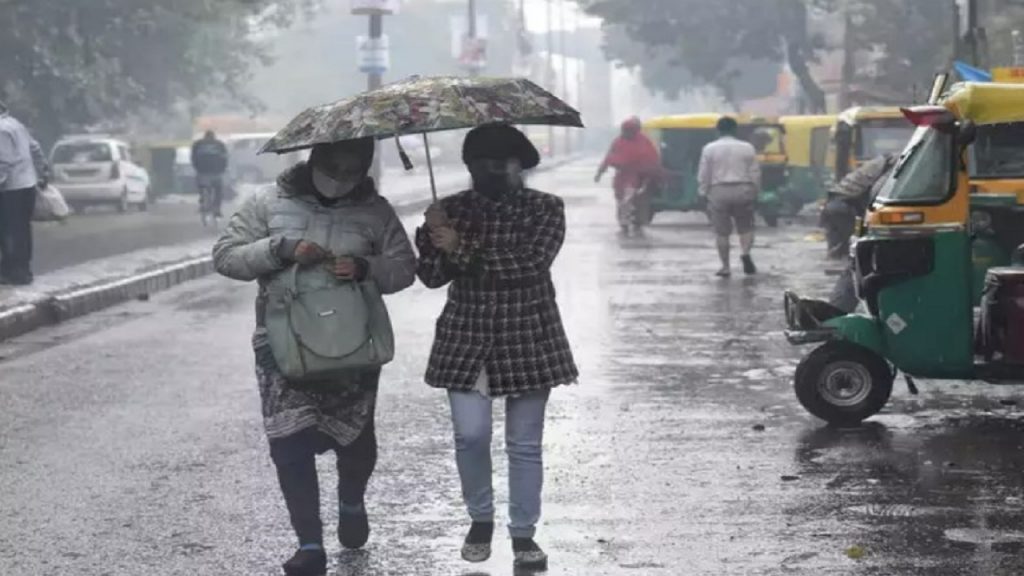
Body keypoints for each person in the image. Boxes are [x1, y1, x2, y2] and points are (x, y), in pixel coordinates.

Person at [212, 137, 416, 576]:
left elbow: (403, 268)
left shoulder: (376, 211)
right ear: (315, 160)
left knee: (356, 439)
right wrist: (279, 249)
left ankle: (351, 501)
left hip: (352, 343)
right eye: (333, 168)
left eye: (352, 171)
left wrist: (365, 267)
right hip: (283, 343)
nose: (341, 179)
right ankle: (309, 544)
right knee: (288, 443)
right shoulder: (267, 202)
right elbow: (226, 256)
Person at [416, 124, 579, 572]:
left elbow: (529, 263)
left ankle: (524, 533)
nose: (494, 169)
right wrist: (432, 236)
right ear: (470, 165)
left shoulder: (545, 208)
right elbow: (431, 277)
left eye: (503, 161)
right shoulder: (450, 210)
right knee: (469, 436)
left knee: (524, 444)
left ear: (519, 163)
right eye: (484, 161)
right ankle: (480, 518)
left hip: (529, 335)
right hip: (466, 337)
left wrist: (461, 246)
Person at [824, 153, 898, 312]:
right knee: (860, 259)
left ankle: (835, 311)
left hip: (837, 204)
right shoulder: (899, 165)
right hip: (844, 207)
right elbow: (877, 198)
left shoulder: (888, 160)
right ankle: (837, 311)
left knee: (857, 260)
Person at [698, 116, 761, 277]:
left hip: (718, 191)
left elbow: (704, 173)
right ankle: (745, 253)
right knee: (746, 226)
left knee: (722, 232)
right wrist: (755, 190)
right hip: (743, 188)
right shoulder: (747, 147)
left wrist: (703, 192)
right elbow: (755, 172)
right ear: (735, 129)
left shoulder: (709, 148)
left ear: (718, 130)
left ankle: (725, 267)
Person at [0, 100, 48, 286]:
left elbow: (3, 162)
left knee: (9, 231)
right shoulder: (16, 124)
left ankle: (14, 272)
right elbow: (35, 148)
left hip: (11, 188)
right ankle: (23, 270)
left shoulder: (2, 130)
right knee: (22, 230)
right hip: (27, 185)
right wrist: (43, 172)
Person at [821, 153, 897, 260]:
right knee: (851, 249)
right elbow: (874, 195)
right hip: (844, 206)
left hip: (834, 203)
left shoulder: (880, 162)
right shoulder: (892, 167)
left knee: (838, 251)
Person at [594, 117, 661, 235]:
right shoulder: (618, 142)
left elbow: (652, 158)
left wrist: (652, 173)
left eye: (629, 131)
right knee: (622, 200)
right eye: (625, 131)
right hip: (622, 177)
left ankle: (637, 222)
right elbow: (609, 157)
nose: (626, 133)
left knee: (635, 200)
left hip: (640, 177)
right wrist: (600, 172)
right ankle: (624, 222)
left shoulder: (644, 141)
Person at [191, 130, 229, 224]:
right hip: (216, 172)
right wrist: (223, 169)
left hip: (202, 172)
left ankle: (203, 202)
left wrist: (197, 168)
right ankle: (217, 209)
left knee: (202, 188)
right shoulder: (219, 145)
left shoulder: (198, 144)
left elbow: (193, 158)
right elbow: (225, 158)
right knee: (218, 191)